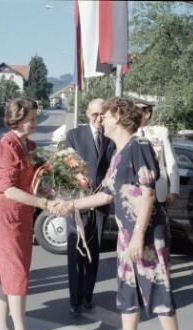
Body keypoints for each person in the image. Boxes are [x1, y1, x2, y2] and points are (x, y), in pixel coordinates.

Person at [56, 97, 179, 330]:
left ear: (119, 118)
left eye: (107, 115)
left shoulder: (139, 145)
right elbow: (105, 195)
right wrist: (70, 205)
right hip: (128, 235)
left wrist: (138, 236)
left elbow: (148, 193)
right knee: (128, 294)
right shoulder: (119, 153)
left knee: (158, 292)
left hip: (147, 235)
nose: (101, 120)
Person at [0, 97, 58, 330]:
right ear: (16, 120)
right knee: (16, 270)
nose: (34, 123)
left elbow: (34, 181)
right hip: (6, 213)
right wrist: (42, 203)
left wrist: (50, 190)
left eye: (35, 118)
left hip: (23, 213)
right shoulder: (5, 146)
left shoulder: (30, 146)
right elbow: (8, 189)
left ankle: (0, 325)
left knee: (13, 268)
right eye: (31, 119)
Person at [64, 98, 115, 315]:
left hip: (100, 204)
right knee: (76, 255)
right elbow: (66, 164)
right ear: (87, 114)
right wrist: (78, 180)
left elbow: (113, 165)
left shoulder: (111, 137)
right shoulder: (74, 136)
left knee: (93, 254)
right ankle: (74, 301)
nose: (99, 119)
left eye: (103, 114)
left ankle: (87, 297)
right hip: (78, 203)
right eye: (95, 114)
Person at [136, 101, 179, 207]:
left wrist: (174, 190)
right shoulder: (128, 132)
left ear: (147, 114)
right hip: (135, 190)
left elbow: (171, 161)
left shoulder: (161, 132)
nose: (133, 114)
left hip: (157, 189)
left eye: (137, 111)